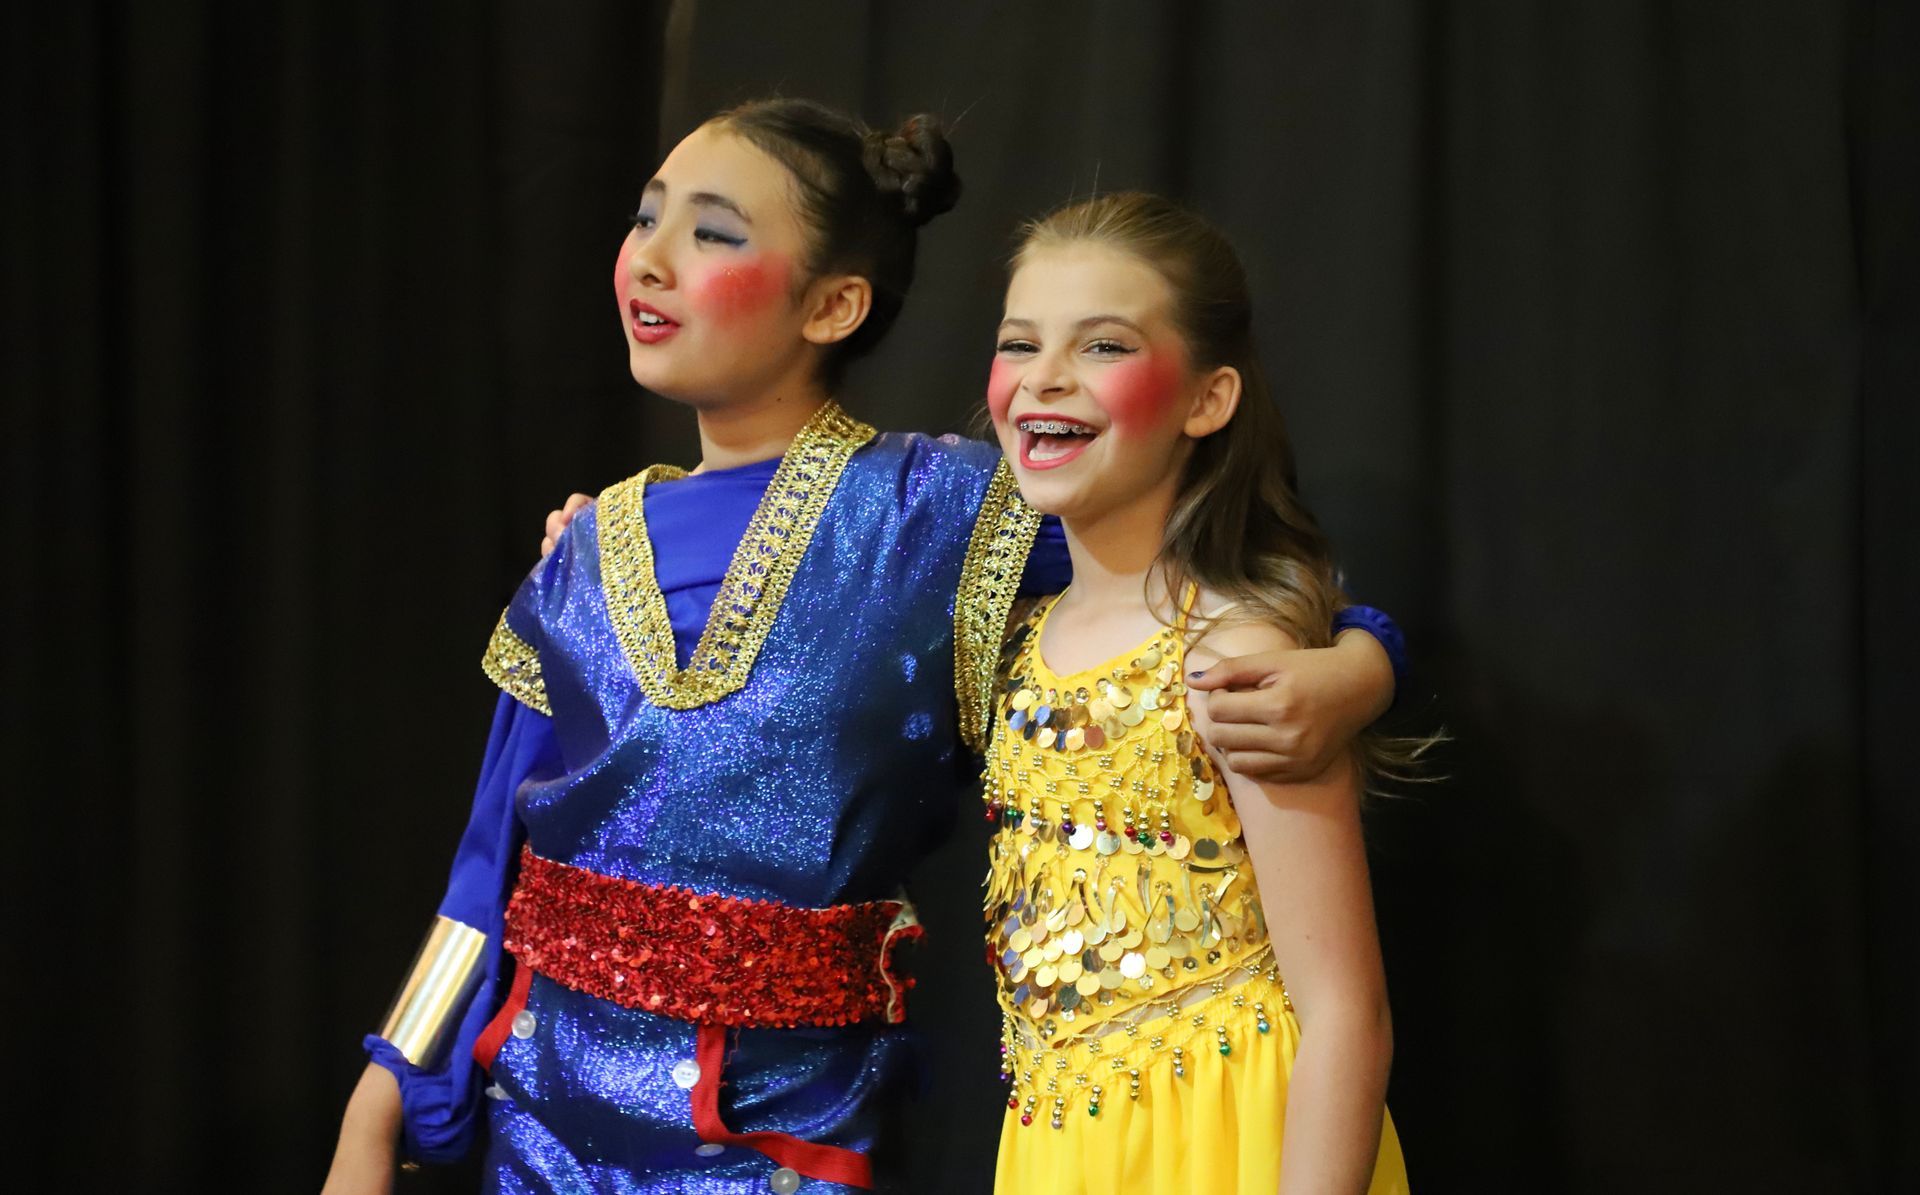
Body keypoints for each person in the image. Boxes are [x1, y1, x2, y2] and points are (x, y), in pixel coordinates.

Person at [323, 98, 1404, 1195]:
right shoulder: (584, 550)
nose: (650, 260)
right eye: (644, 219)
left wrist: (1367, 662)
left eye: (710, 232)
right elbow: (482, 876)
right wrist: (382, 1101)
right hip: (544, 1124)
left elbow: (1209, 587)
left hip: (783, 1140)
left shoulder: (948, 514)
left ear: (836, 303)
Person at [978, 192, 1415, 1193]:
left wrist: (1362, 660)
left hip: (1226, 1139)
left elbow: (1348, 1008)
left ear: (1206, 400)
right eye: (1020, 342)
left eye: (1103, 347)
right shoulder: (1007, 628)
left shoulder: (1234, 649)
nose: (1045, 376)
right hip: (1062, 1144)